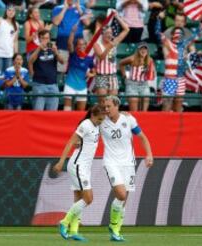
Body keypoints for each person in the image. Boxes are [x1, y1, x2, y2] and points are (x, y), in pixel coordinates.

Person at [101, 95, 153, 241]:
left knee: (125, 198)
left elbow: (142, 137)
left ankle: (115, 229)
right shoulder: (101, 121)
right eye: (104, 107)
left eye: (109, 106)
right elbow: (85, 122)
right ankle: (113, 224)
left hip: (129, 163)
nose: (106, 109)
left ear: (117, 106)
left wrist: (149, 154)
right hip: (111, 162)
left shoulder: (129, 119)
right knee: (121, 194)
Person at [54, 104, 106, 242]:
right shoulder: (86, 124)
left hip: (85, 167)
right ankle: (64, 222)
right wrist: (61, 162)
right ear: (93, 115)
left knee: (78, 199)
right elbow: (71, 142)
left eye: (103, 119)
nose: (101, 122)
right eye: (99, 119)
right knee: (88, 198)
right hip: (78, 165)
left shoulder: (96, 125)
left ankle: (73, 231)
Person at [160, 25, 202, 112]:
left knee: (179, 103)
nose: (178, 35)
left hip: (181, 78)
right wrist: (157, 19)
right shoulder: (168, 44)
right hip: (170, 78)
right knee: (167, 104)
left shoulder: (184, 45)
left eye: (180, 34)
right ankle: (164, 123)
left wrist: (200, 26)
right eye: (176, 33)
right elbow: (159, 34)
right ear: (172, 35)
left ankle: (177, 125)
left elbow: (194, 37)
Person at [93, 11, 129, 105]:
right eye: (107, 33)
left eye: (111, 33)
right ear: (102, 34)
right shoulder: (97, 44)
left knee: (113, 102)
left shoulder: (114, 42)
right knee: (102, 102)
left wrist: (117, 17)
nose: (110, 35)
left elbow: (126, 29)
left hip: (112, 75)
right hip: (101, 76)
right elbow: (101, 57)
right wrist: (108, 47)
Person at [28, 29, 64, 111]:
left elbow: (62, 61)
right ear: (39, 38)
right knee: (38, 113)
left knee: (52, 115)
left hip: (53, 84)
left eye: (47, 38)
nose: (45, 40)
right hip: (39, 85)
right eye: (43, 38)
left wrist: (56, 52)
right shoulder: (35, 50)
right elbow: (30, 61)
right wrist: (38, 49)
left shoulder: (53, 49)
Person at [52, 0, 90, 74]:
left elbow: (87, 23)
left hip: (78, 42)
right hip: (62, 41)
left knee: (77, 67)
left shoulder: (82, 8)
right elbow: (56, 22)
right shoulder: (57, 8)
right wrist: (64, 9)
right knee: (61, 68)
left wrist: (79, 8)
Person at [63, 24, 95, 111]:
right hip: (70, 84)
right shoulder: (73, 55)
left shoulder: (89, 59)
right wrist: (73, 32)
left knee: (80, 112)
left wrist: (90, 74)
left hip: (82, 86)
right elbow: (69, 43)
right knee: (67, 111)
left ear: (86, 45)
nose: (81, 46)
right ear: (76, 46)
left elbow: (94, 69)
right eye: (79, 45)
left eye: (83, 44)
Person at [119, 42, 155, 111]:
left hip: (144, 84)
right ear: (138, 50)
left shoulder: (150, 60)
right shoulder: (132, 58)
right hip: (132, 84)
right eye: (141, 48)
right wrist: (124, 76)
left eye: (145, 49)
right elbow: (121, 63)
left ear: (147, 51)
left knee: (144, 109)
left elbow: (152, 74)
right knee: (134, 110)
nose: (143, 50)